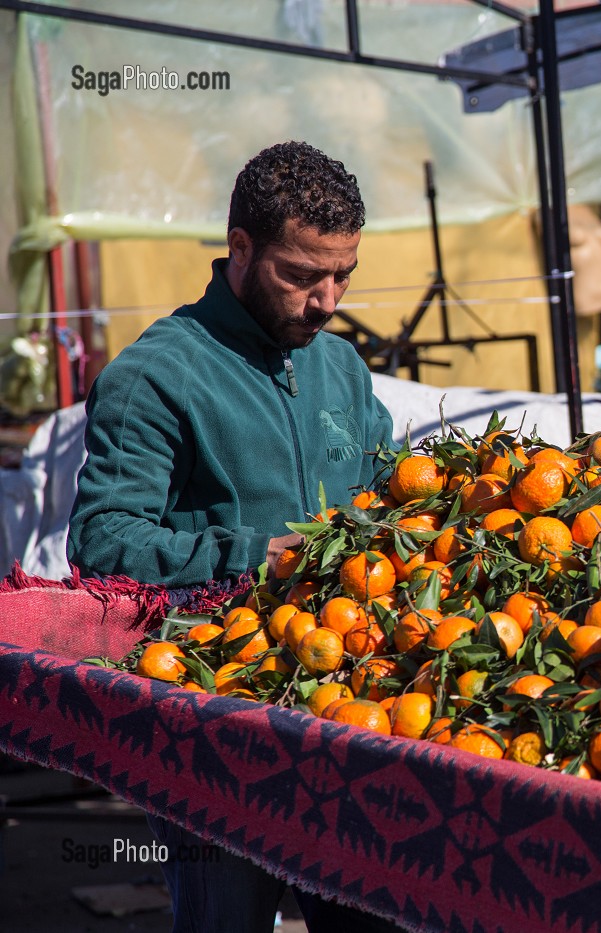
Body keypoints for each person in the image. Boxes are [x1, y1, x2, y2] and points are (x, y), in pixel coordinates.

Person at [68, 141, 399, 932]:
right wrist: (249, 552)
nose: (325, 300)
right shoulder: (155, 375)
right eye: (301, 274)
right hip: (215, 733)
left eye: (342, 274)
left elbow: (394, 494)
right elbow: (102, 542)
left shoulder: (343, 369)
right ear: (240, 249)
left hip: (349, 714)